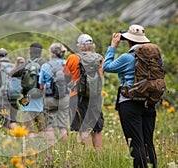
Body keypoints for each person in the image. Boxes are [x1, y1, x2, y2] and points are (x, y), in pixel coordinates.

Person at [103, 24, 157, 168]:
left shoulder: (127, 57)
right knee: (148, 142)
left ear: (129, 40)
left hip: (129, 103)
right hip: (149, 102)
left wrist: (113, 46)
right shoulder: (155, 57)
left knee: (136, 143)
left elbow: (106, 66)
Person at [63, 34, 104, 150]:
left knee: (82, 127)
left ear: (80, 46)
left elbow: (66, 76)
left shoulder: (73, 58)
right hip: (95, 97)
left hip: (76, 96)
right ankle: (99, 155)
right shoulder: (100, 58)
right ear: (93, 46)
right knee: (97, 128)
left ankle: (85, 154)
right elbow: (100, 75)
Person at [10, 42, 47, 138]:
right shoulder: (44, 64)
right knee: (42, 129)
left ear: (30, 51)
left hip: (26, 101)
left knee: (29, 130)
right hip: (40, 101)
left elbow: (12, 74)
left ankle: (31, 148)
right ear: (40, 52)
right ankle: (42, 148)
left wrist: (18, 63)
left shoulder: (25, 63)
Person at [39, 43, 69, 142]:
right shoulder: (67, 64)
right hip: (64, 96)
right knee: (63, 126)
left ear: (52, 53)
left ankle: (51, 150)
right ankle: (65, 150)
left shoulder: (45, 65)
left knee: (49, 126)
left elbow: (41, 84)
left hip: (49, 97)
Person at [0, 48, 18, 130]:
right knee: (13, 121)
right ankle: (19, 138)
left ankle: (5, 140)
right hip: (13, 97)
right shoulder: (13, 66)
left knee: (3, 123)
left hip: (1, 99)